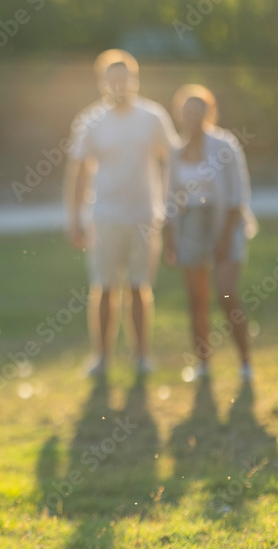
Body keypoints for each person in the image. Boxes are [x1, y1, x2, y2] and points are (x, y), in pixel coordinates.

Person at [65, 49, 180, 379]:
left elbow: (170, 160)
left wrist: (171, 208)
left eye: (125, 78)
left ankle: (141, 356)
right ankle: (101, 358)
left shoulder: (153, 117)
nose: (119, 85)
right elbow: (80, 171)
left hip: (145, 216)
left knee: (139, 286)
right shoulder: (91, 120)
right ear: (103, 82)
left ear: (134, 79)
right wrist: (74, 218)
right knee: (103, 287)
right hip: (103, 217)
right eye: (112, 79)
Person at [162, 84, 256, 383]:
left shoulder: (224, 146)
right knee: (196, 299)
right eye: (187, 112)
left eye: (198, 111)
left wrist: (225, 237)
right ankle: (203, 363)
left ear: (208, 113)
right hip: (190, 226)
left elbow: (237, 194)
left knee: (227, 294)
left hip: (223, 222)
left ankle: (245, 362)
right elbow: (170, 198)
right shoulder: (176, 152)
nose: (192, 118)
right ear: (180, 115)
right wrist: (170, 237)